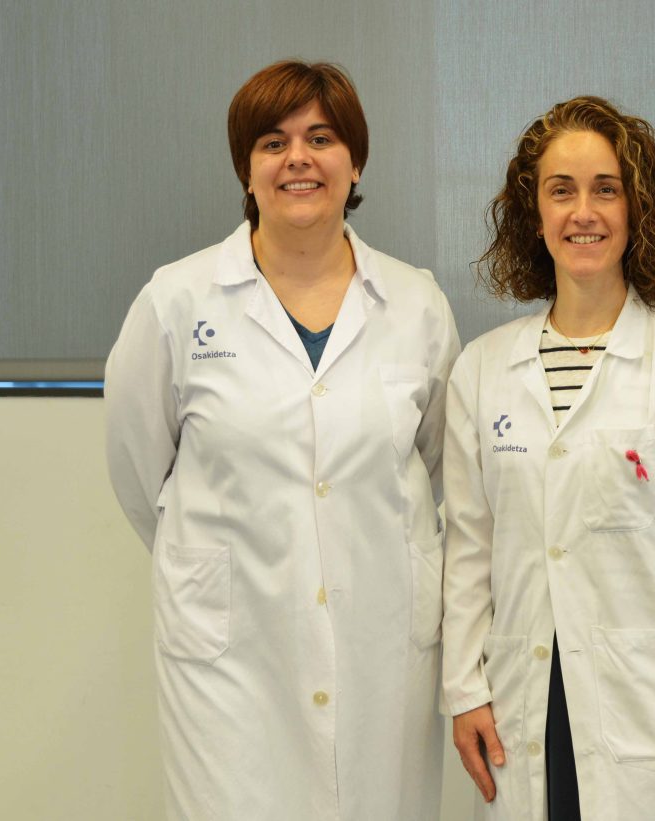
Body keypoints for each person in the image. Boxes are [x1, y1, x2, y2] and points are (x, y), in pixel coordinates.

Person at [104, 60, 459, 820]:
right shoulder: (177, 301)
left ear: (354, 162)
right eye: (274, 142)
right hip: (231, 656)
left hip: (379, 645)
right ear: (247, 167)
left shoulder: (416, 305)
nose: (299, 158)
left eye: (321, 138)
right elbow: (139, 474)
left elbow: (438, 466)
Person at [442, 96, 655, 821]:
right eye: (562, 191)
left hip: (649, 700)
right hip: (522, 696)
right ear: (534, 214)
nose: (583, 212)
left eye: (605, 190)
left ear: (637, 210)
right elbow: (468, 549)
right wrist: (464, 690)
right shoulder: (483, 368)